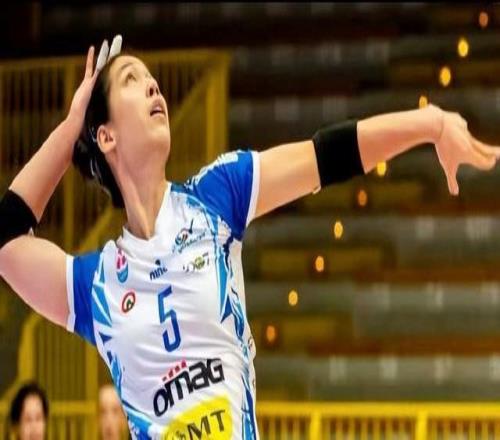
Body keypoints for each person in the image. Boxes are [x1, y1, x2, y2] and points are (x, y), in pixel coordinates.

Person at [0, 35, 499, 439]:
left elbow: (326, 155)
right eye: (133, 80)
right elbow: (5, 239)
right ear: (105, 135)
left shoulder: (216, 196)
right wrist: (72, 127)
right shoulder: (97, 286)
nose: (154, 87)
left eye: (153, 80)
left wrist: (431, 123)